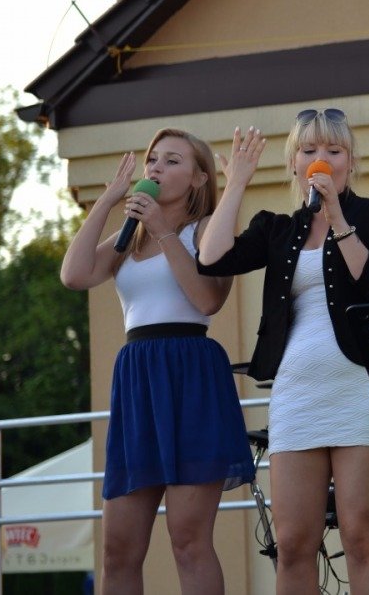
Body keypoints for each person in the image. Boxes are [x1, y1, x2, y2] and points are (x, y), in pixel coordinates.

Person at [197, 109, 369, 595]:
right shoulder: (278, 229)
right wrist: (236, 184)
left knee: (359, 534)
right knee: (292, 543)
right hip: (297, 394)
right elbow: (211, 258)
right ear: (294, 163)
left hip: (361, 389)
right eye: (309, 150)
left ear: (351, 161)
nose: (321, 159)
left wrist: (336, 217)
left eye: (334, 150)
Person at [59, 129, 253, 595]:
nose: (156, 168)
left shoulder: (206, 230)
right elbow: (74, 275)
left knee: (188, 542)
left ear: (198, 178)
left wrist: (166, 232)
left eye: (171, 161)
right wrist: (108, 200)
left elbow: (207, 300)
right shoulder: (129, 237)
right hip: (138, 380)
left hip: (191, 373)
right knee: (118, 549)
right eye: (153, 160)